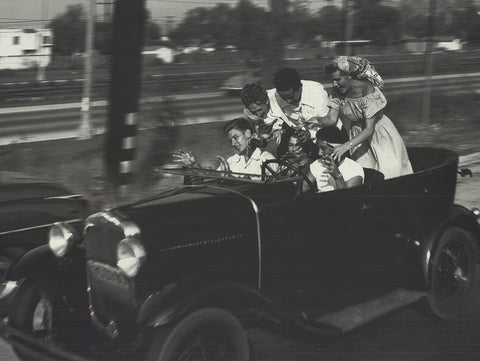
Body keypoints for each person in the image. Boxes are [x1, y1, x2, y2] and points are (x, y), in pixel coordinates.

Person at [317, 56, 413, 179]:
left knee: (390, 171)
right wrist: (314, 119)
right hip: (357, 135)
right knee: (363, 171)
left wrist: (346, 146)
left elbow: (369, 129)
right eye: (332, 80)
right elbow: (331, 119)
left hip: (379, 132)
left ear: (349, 76)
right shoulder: (337, 92)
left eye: (337, 79)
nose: (334, 84)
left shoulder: (366, 90)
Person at [172, 117, 277, 179]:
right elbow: (210, 177)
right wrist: (193, 165)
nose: (233, 143)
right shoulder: (232, 161)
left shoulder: (266, 159)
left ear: (248, 133)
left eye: (236, 138)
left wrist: (229, 178)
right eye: (230, 140)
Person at [314, 126, 364, 190]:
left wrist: (337, 176)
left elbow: (346, 198)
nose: (319, 153)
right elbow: (304, 186)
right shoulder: (320, 162)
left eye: (323, 148)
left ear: (336, 147)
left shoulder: (354, 169)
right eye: (318, 148)